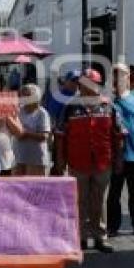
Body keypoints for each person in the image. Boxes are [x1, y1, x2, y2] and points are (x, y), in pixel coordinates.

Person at [55, 69, 120, 253]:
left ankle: (100, 237)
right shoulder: (70, 107)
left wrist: (119, 159)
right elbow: (60, 136)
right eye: (83, 84)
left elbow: (118, 135)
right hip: (77, 162)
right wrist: (60, 161)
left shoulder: (109, 107)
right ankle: (81, 237)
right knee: (80, 201)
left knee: (99, 200)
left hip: (103, 161)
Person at [107, 63, 134, 238]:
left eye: (122, 75)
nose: (118, 78)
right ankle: (112, 226)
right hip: (115, 154)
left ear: (128, 78)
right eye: (115, 75)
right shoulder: (107, 101)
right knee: (114, 192)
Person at [14, 84, 51, 176]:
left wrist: (26, 133)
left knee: (35, 184)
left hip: (36, 160)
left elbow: (44, 136)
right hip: (20, 158)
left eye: (27, 95)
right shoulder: (18, 111)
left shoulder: (42, 113)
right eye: (23, 95)